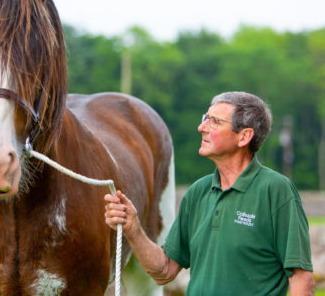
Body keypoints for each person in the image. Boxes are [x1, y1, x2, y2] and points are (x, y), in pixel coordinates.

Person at [104, 91, 314, 295]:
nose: (201, 127)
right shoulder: (198, 193)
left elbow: (301, 278)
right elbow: (164, 271)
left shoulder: (276, 191)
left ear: (244, 137)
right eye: (205, 118)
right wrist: (133, 228)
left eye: (215, 121)